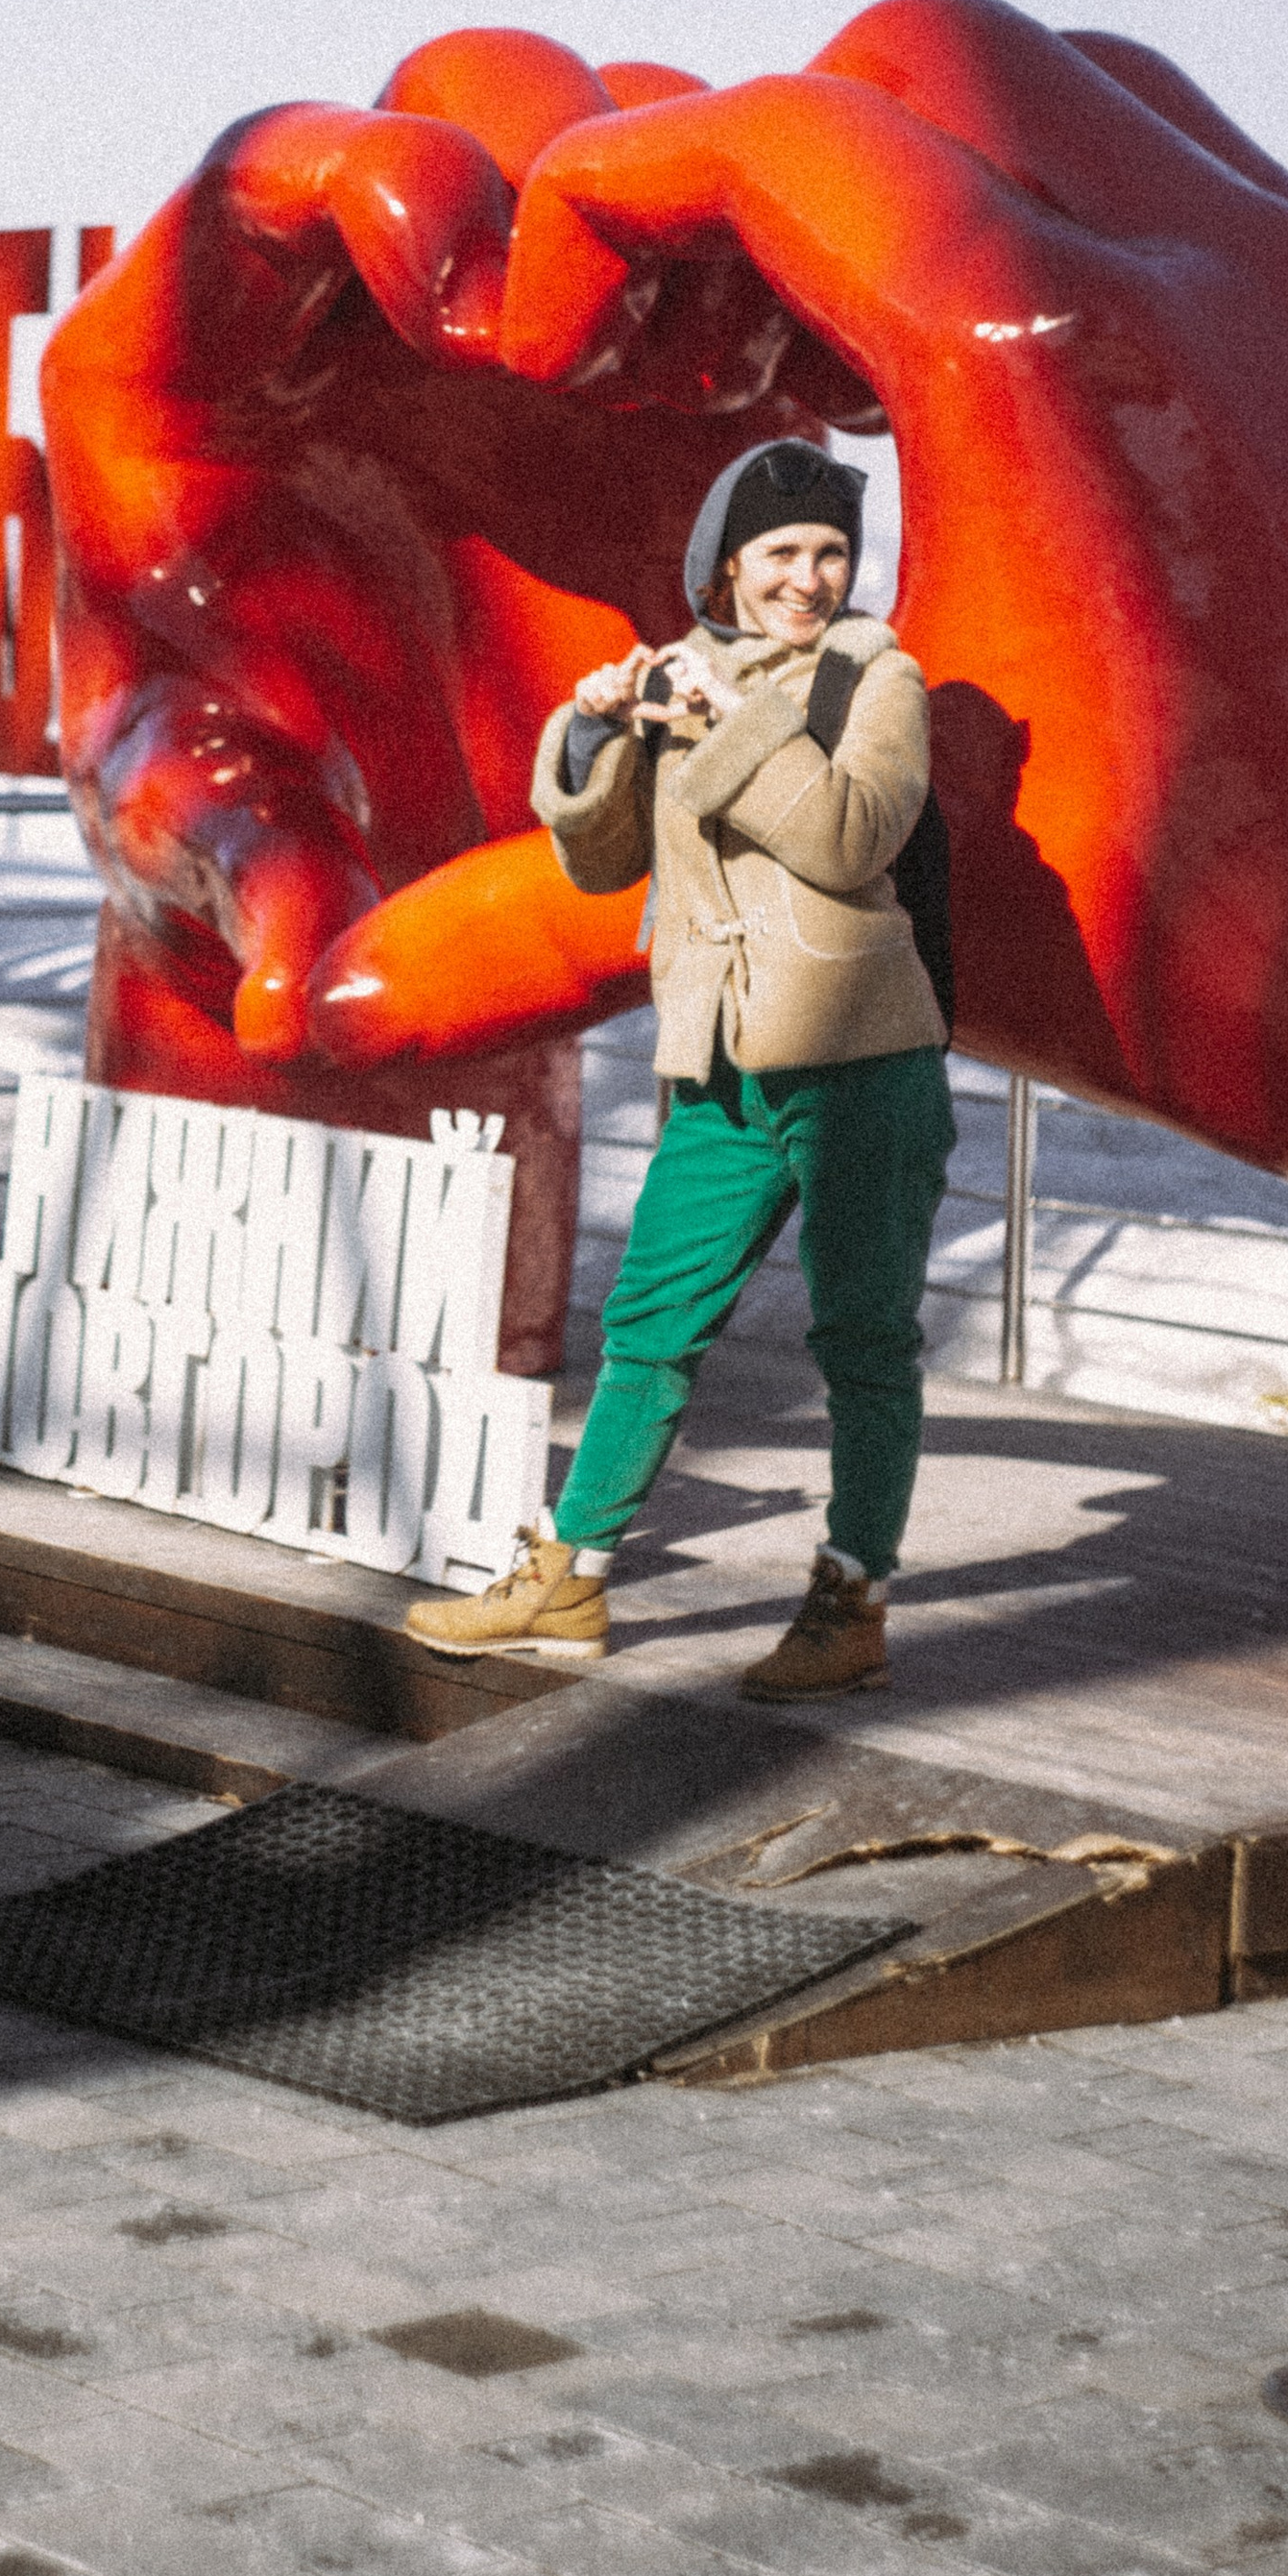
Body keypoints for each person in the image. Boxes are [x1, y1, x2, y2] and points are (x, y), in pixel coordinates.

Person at [404, 437, 953, 1698]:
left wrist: (727, 726)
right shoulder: (686, 674)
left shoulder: (878, 678)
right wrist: (597, 737)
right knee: (648, 1321)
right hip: (718, 1062)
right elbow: (604, 868)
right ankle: (572, 1578)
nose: (808, 577)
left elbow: (849, 833)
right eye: (780, 554)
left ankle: (853, 1592)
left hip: (862, 1056)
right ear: (726, 564)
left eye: (827, 552)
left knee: (864, 1335)